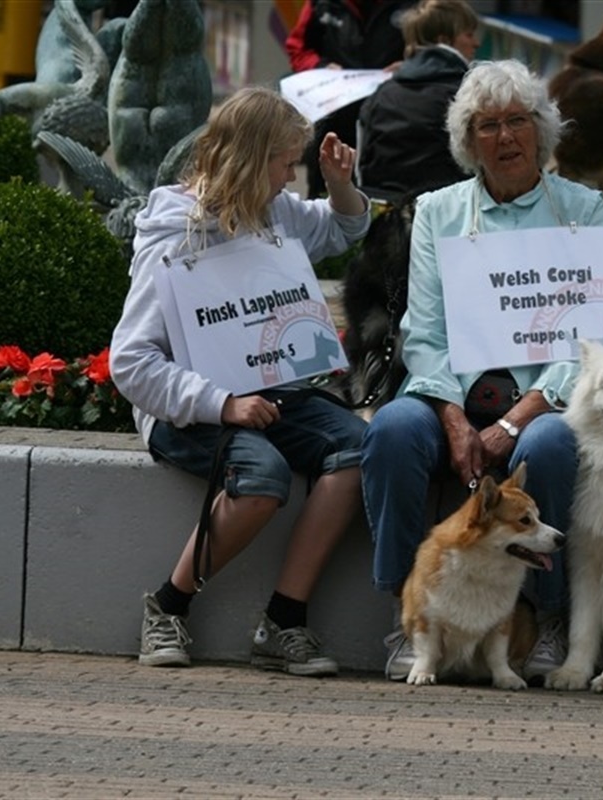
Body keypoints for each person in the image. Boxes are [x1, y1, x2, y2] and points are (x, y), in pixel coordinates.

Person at [359, 59, 603, 682]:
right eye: (488, 125)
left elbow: (597, 329)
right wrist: (452, 416)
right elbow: (424, 329)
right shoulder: (439, 213)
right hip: (452, 394)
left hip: (540, 401)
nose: (505, 138)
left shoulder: (584, 210)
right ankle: (406, 610)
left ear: (541, 129)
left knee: (552, 443)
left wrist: (512, 422)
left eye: (518, 121)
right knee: (391, 430)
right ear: (468, 140)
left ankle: (549, 616)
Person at [109, 86, 371, 676]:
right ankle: (167, 606)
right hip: (191, 408)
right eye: (285, 163)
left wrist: (338, 184)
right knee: (262, 478)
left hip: (271, 390)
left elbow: (342, 230)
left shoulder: (271, 209)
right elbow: (131, 363)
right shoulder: (176, 237)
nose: (289, 177)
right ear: (254, 161)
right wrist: (222, 404)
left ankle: (283, 620)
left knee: (360, 448)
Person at [284, 0, 415, 198]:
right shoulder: (321, 4)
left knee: (385, 205)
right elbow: (298, 49)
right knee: (327, 200)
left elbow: (432, 48)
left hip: (392, 123)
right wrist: (321, 67)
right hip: (333, 123)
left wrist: (410, 66)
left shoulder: (416, 5)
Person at [355, 0, 479, 202]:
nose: (476, 43)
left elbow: (362, 169)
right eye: (469, 34)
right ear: (444, 40)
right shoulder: (469, 94)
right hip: (449, 219)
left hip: (386, 219)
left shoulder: (380, 94)